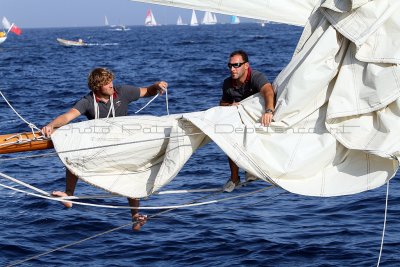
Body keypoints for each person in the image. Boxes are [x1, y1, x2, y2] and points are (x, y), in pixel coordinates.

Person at [42, 67, 168, 230]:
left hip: (123, 146)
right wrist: (51, 125)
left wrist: (156, 86)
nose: (111, 85)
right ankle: (69, 195)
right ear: (96, 87)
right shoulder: (87, 101)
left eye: (111, 81)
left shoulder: (122, 92)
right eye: (106, 83)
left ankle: (135, 216)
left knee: (130, 174)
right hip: (100, 148)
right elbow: (68, 116)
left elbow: (147, 91)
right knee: (73, 155)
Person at [219, 50, 275, 192]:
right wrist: (230, 106)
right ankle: (234, 178)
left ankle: (251, 169)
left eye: (236, 65)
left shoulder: (256, 77)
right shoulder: (227, 83)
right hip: (241, 119)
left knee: (249, 130)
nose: (232, 69)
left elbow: (268, 91)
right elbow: (222, 104)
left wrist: (269, 111)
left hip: (259, 117)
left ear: (246, 65)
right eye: (230, 66)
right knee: (228, 135)